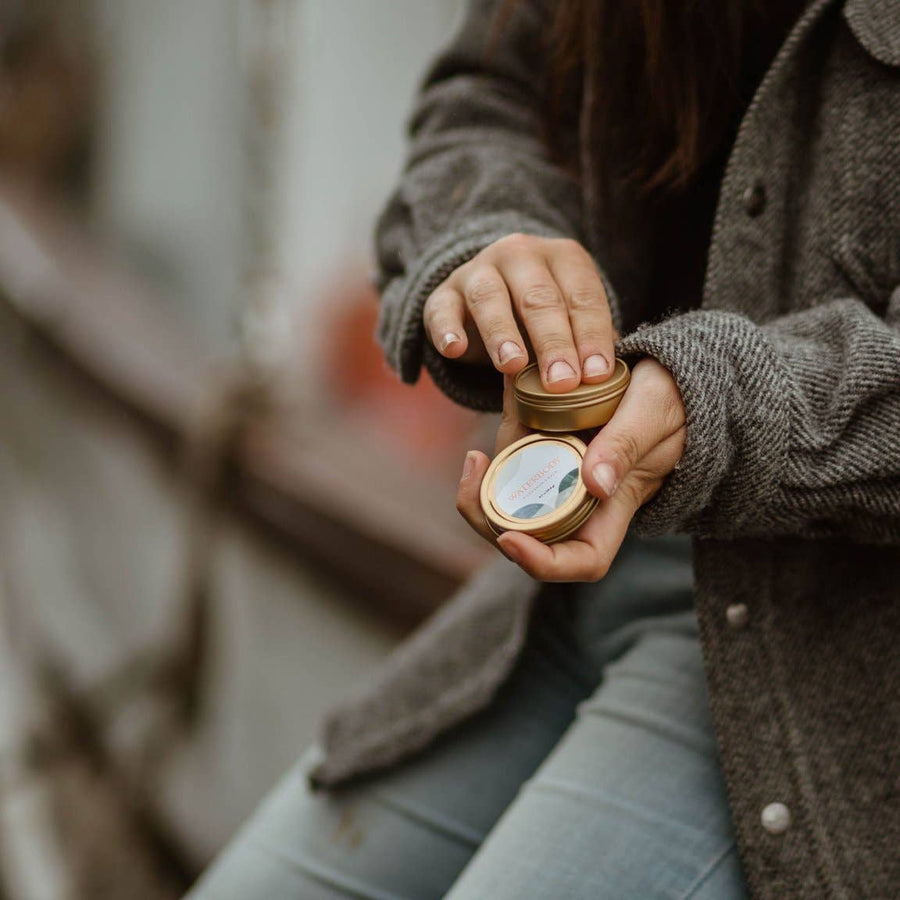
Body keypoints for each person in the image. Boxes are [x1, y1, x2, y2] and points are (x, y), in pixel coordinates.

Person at [187, 0, 900, 897]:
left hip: (831, 664)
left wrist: (711, 406)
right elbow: (491, 89)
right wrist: (489, 247)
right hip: (557, 605)